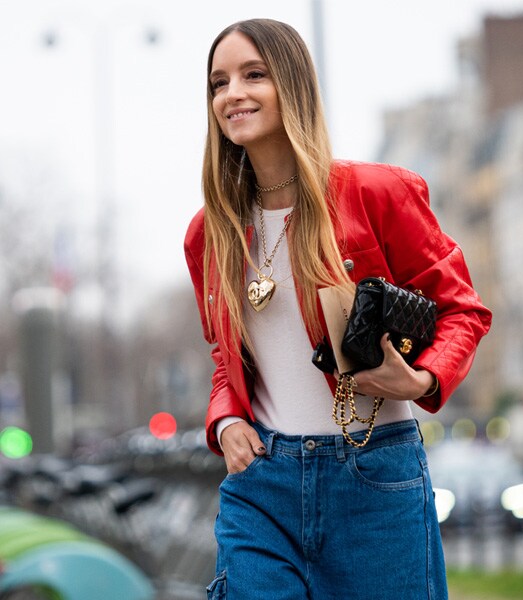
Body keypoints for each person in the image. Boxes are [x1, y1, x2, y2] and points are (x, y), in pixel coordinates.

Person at [185, 18, 492, 600]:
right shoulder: (210, 234)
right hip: (262, 483)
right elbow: (227, 357)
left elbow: (463, 311)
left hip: (372, 475)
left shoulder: (375, 193)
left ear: (293, 86)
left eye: (254, 75)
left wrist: (421, 376)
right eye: (218, 83)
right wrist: (225, 422)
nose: (233, 94)